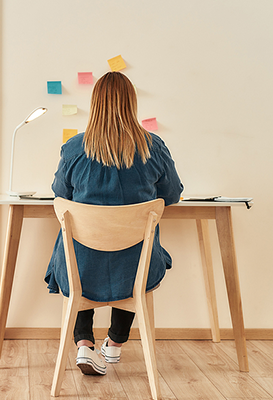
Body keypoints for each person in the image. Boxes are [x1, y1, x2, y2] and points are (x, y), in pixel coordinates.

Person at [45, 71, 183, 376]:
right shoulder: (153, 146)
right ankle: (115, 344)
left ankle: (84, 345)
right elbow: (172, 194)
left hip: (81, 265)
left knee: (76, 254)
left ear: (95, 104)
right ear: (131, 103)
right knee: (134, 260)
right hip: (134, 265)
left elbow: (60, 196)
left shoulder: (74, 148)